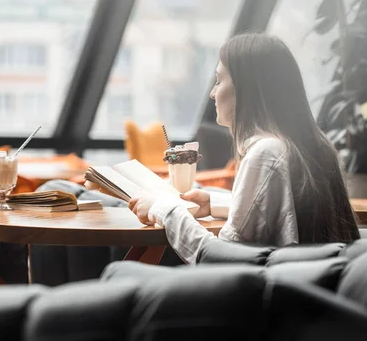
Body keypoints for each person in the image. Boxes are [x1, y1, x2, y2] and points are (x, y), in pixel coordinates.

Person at [128, 33, 360, 263]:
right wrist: (213, 204)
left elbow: (223, 262)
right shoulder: (315, 146)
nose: (212, 93)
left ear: (246, 88)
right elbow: (288, 212)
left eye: (219, 81)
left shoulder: (267, 153)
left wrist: (165, 209)